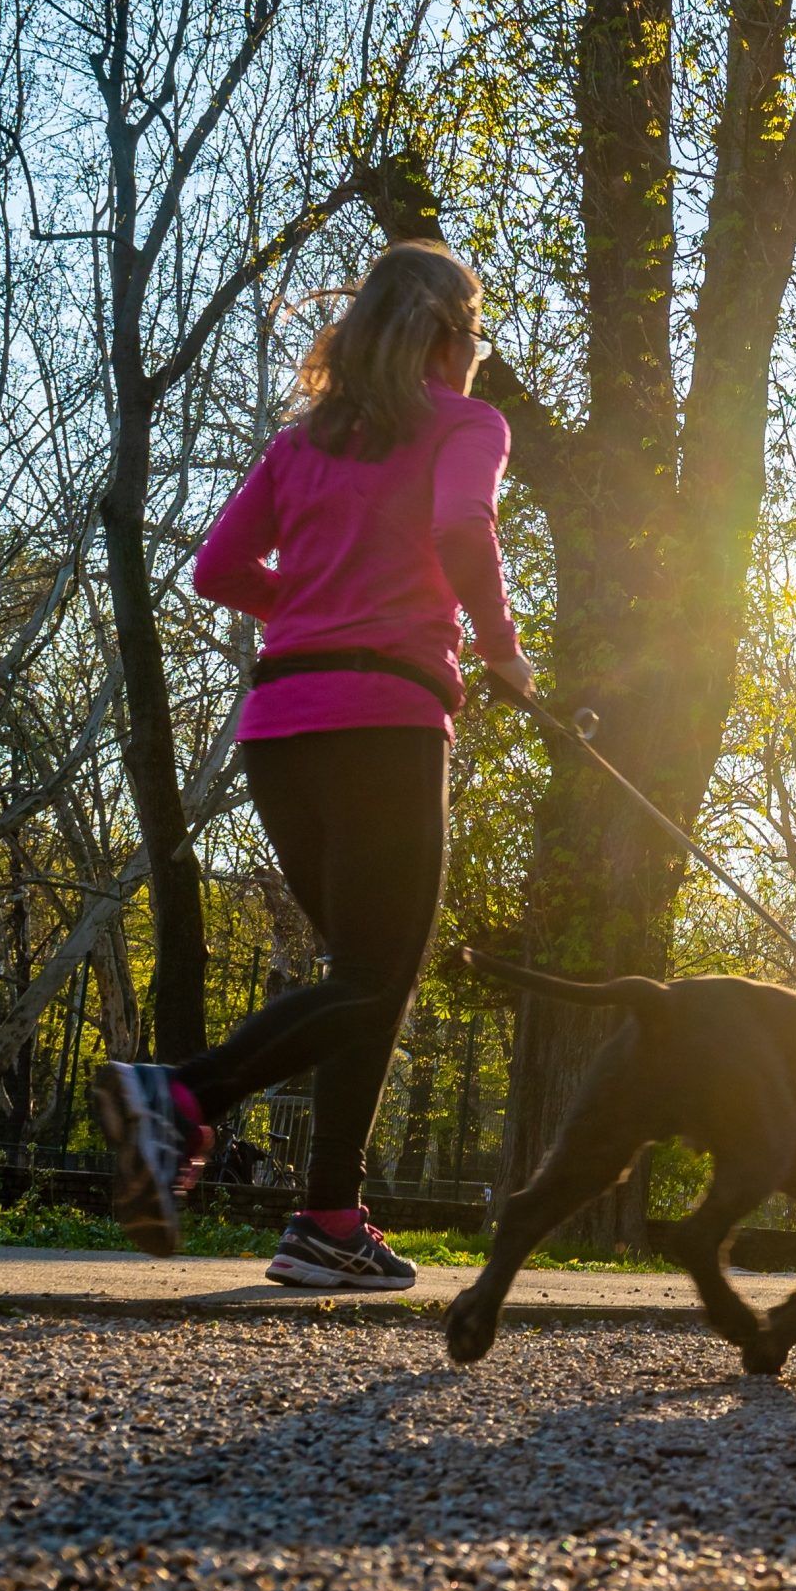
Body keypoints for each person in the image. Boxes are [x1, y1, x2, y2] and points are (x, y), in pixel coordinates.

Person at [90, 240, 530, 1290]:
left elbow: (218, 570)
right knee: (377, 975)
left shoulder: (305, 443)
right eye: (474, 334)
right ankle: (179, 1094)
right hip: (383, 723)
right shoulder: (469, 424)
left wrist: (321, 610)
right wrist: (502, 650)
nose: (476, 356)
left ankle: (329, 1219)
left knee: (357, 984)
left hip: (280, 730)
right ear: (448, 337)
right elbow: (462, 525)